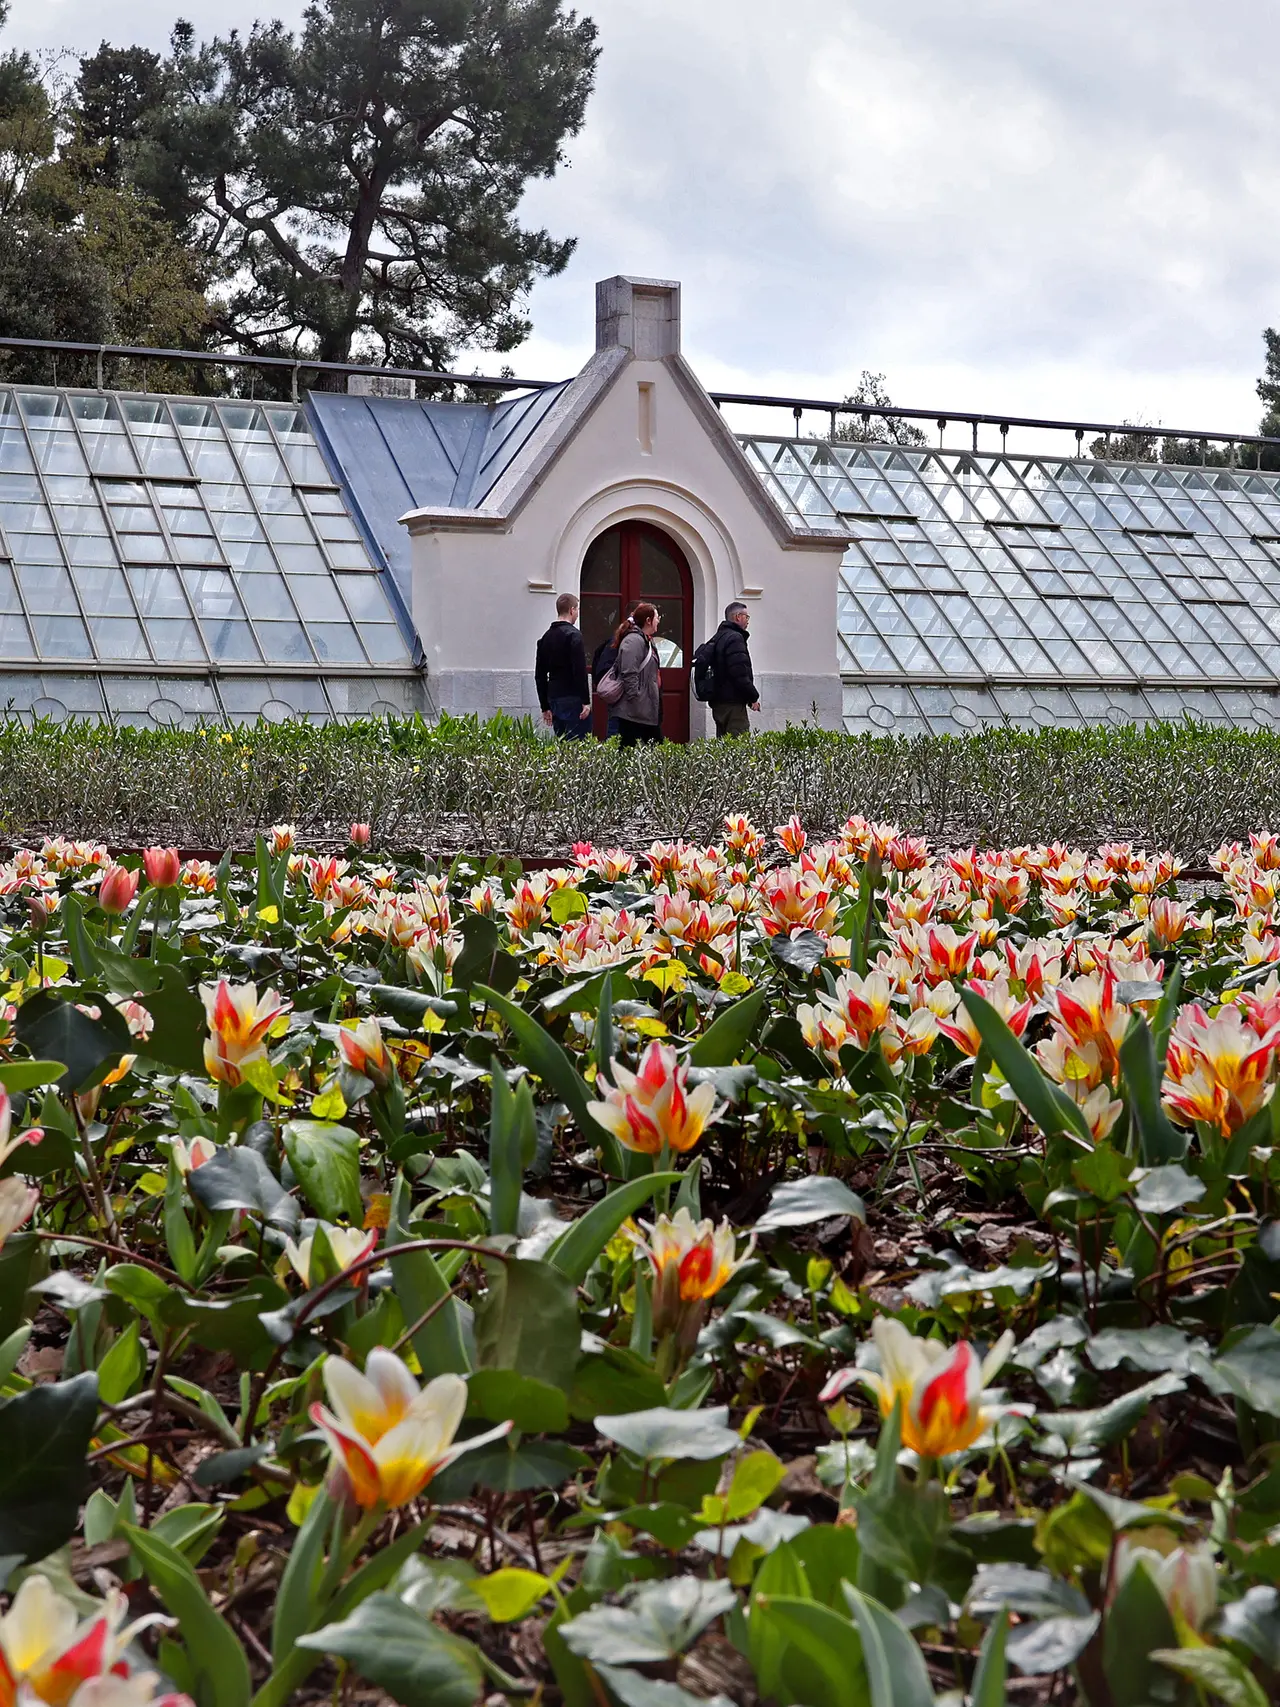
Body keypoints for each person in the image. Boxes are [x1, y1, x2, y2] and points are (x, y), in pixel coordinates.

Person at [535, 593, 591, 739]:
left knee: (562, 742)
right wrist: (585, 701)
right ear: (572, 610)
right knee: (578, 743)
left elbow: (540, 675)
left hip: (554, 697)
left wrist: (544, 706)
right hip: (572, 697)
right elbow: (579, 671)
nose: (577, 614)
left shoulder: (545, 638)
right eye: (577, 610)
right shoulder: (574, 636)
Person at [613, 602, 663, 746]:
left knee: (652, 747)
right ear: (648, 620)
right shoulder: (634, 641)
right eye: (657, 617)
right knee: (634, 748)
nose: (658, 621)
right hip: (635, 710)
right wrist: (635, 697)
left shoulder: (645, 639)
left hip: (643, 708)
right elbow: (629, 673)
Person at [709, 600, 760, 738]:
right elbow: (739, 672)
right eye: (746, 617)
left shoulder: (718, 637)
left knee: (724, 744)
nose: (748, 621)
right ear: (738, 617)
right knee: (739, 745)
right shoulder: (735, 638)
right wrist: (753, 697)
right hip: (733, 704)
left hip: (719, 702)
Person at [592, 600, 637, 740]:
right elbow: (604, 667)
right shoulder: (623, 640)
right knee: (616, 736)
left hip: (627, 701)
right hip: (622, 699)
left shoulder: (631, 639)